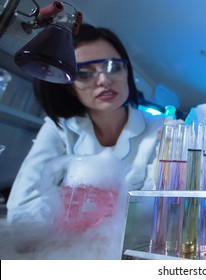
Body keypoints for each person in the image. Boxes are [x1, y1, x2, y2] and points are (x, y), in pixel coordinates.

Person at [6, 23, 164, 224]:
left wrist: (73, 204)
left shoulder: (161, 130)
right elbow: (22, 212)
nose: (104, 80)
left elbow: (159, 214)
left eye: (112, 67)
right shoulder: (60, 129)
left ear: (126, 72)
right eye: (84, 73)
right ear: (69, 86)